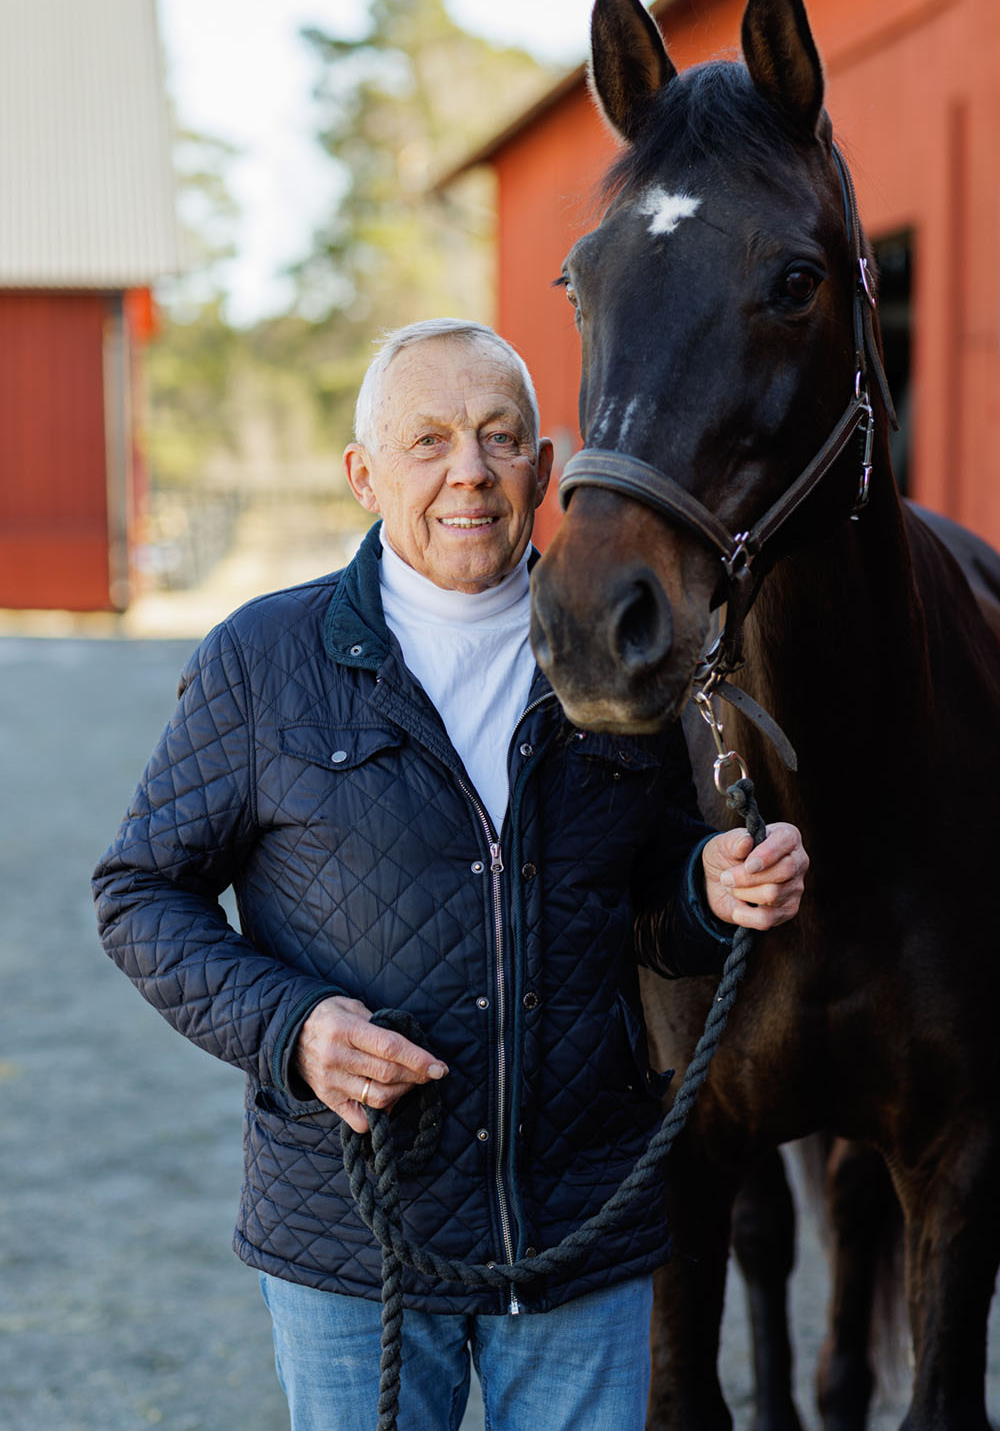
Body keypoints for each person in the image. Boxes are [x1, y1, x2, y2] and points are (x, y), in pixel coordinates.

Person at [93, 319, 807, 1431]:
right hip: (353, 1237)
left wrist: (708, 891)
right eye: (425, 440)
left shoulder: (617, 654)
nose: (467, 471)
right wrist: (292, 1027)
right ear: (361, 474)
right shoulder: (260, 660)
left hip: (579, 1222)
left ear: (545, 467)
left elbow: (649, 911)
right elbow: (139, 891)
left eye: (498, 436)